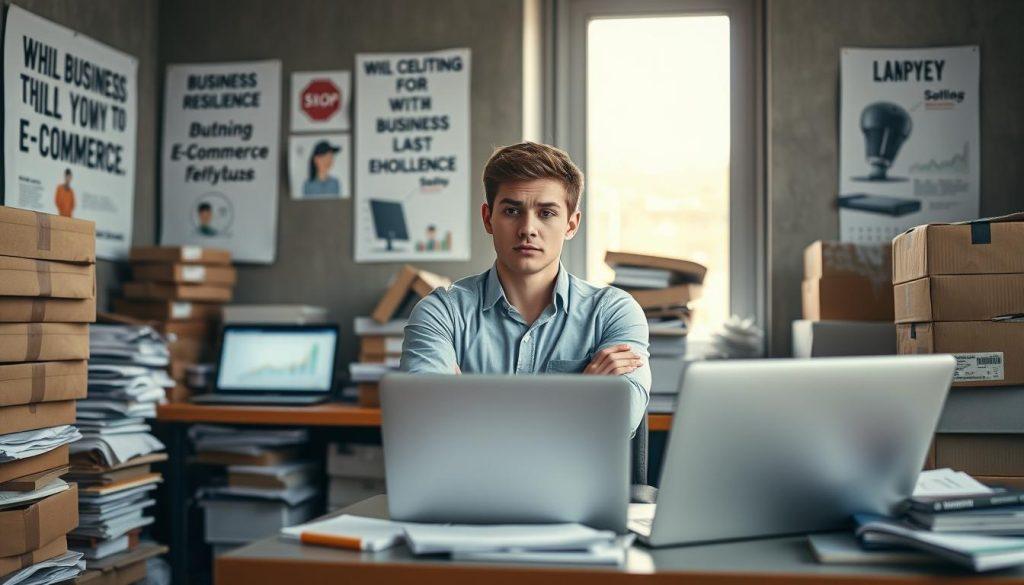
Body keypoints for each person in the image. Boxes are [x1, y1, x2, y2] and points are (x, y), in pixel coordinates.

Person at [401, 142, 650, 434]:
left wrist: (465, 402)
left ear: (571, 225)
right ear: (487, 218)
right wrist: (584, 392)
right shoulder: (440, 313)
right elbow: (427, 421)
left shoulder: (613, 312)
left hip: (573, 481)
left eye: (546, 213)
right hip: (470, 481)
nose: (527, 228)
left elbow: (617, 421)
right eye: (511, 210)